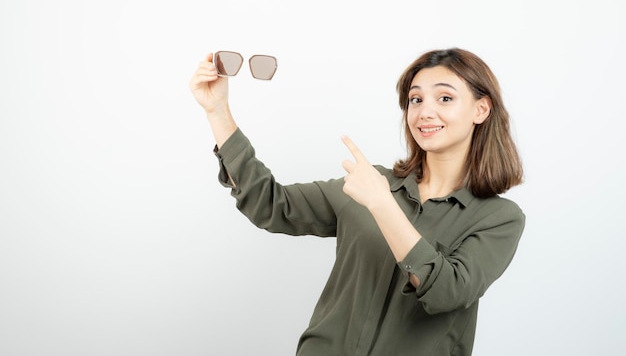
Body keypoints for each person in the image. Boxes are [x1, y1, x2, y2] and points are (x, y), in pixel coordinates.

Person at [189, 48, 525, 356]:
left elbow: (446, 292)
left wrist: (383, 205)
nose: (425, 111)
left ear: (481, 109)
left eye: (445, 98)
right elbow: (271, 205)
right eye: (416, 100)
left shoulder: (499, 218)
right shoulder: (371, 183)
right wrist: (218, 112)